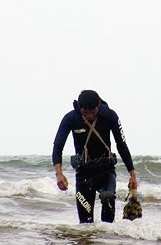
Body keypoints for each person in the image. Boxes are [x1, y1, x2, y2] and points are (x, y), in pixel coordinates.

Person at [52, 90, 138, 223]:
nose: (91, 115)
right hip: (84, 175)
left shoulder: (110, 115)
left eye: (94, 111)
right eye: (86, 112)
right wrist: (59, 174)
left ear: (98, 105)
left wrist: (132, 173)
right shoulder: (70, 118)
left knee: (108, 198)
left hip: (106, 171)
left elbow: (121, 144)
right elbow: (58, 146)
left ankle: (105, 240)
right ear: (80, 108)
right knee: (85, 224)